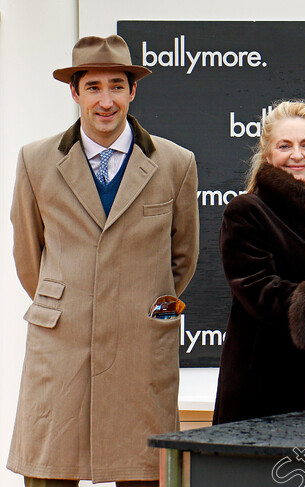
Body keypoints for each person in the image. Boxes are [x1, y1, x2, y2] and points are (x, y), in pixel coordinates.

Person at [8, 35, 199, 485]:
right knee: (50, 472)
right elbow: (27, 255)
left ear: (133, 91)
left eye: (117, 85)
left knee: (144, 473)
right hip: (62, 345)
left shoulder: (176, 163)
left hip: (140, 344)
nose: (106, 100)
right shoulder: (36, 161)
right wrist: (70, 301)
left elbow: (183, 258)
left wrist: (136, 298)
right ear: (74, 92)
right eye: (93, 87)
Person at [213, 100, 305, 424]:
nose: (296, 155)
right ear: (268, 155)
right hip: (264, 388)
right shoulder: (247, 211)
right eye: (285, 145)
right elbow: (259, 290)